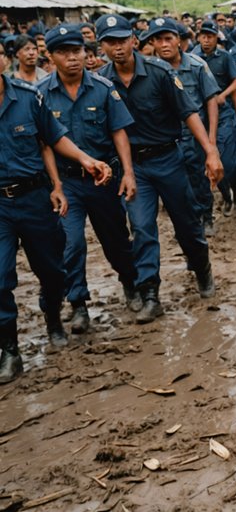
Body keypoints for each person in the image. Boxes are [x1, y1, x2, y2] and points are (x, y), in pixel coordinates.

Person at [96, 14, 223, 323]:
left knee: (187, 224)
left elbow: (188, 112)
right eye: (110, 42)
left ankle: (201, 268)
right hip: (132, 167)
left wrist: (210, 150)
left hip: (168, 159)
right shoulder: (100, 82)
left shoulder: (160, 72)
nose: (118, 47)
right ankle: (150, 292)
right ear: (101, 47)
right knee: (141, 228)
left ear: (134, 41)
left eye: (122, 40)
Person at [0, 49, 113, 382]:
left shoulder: (27, 97)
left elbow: (51, 139)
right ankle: (9, 350)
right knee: (0, 276)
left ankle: (52, 315)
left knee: (53, 270)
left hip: (35, 198)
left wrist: (81, 163)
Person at [41, 25, 138, 334]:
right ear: (51, 56)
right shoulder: (40, 94)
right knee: (70, 244)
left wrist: (128, 173)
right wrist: (55, 185)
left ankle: (130, 284)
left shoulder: (102, 87)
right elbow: (43, 144)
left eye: (77, 51)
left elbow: (118, 131)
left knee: (116, 240)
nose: (72, 58)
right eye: (63, 52)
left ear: (86, 52)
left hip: (103, 180)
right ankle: (78, 303)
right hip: (67, 181)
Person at [147, 18, 221, 236]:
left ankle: (205, 217)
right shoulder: (149, 70)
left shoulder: (197, 66)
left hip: (195, 137)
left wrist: (211, 142)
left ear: (178, 40)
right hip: (166, 141)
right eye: (158, 40)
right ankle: (189, 222)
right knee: (177, 186)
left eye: (168, 39)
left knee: (200, 180)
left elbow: (211, 102)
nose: (164, 45)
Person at [193, 20, 236, 217]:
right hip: (201, 117)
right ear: (198, 37)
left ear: (217, 37)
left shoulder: (224, 57)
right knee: (210, 162)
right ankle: (227, 196)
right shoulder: (193, 58)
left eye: (210, 36)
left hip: (224, 115)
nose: (206, 40)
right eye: (203, 36)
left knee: (230, 163)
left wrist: (224, 95)